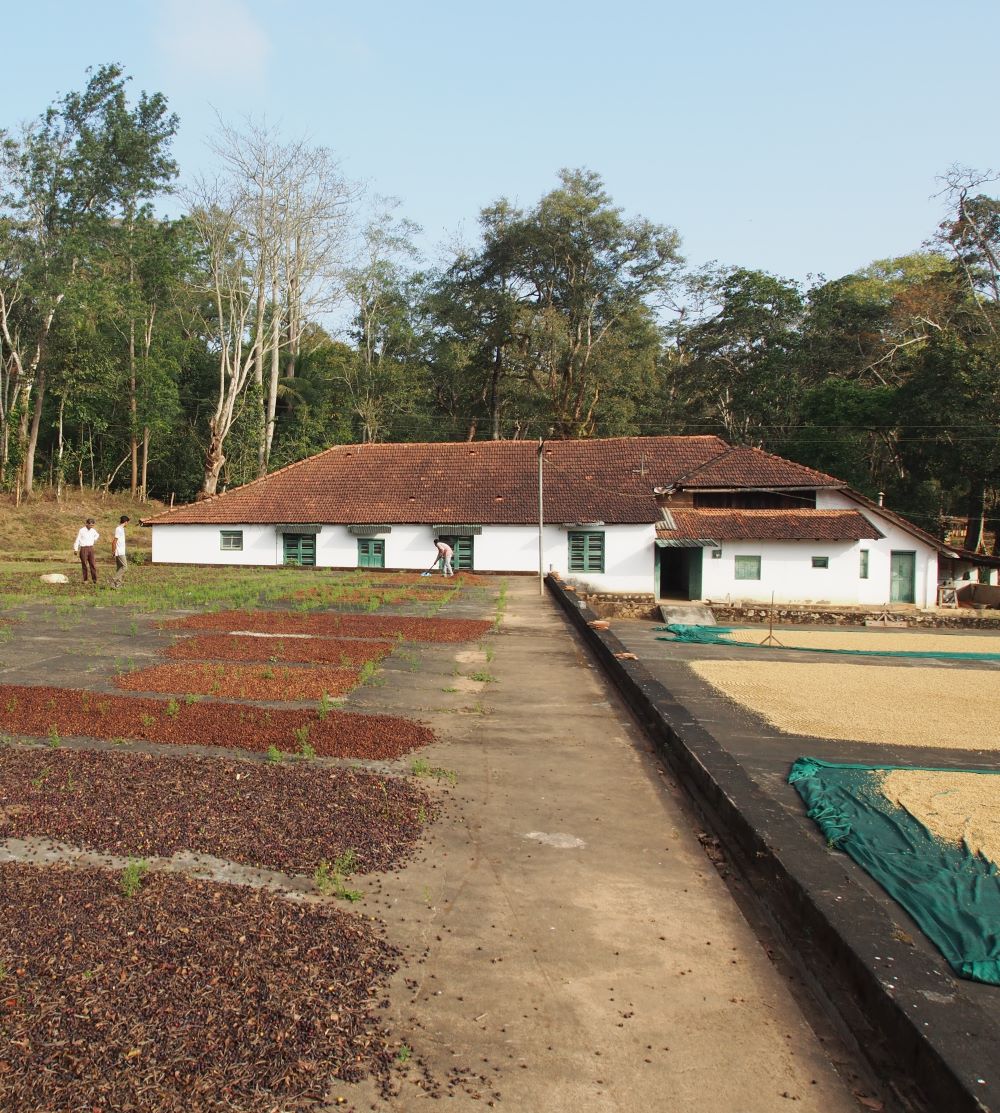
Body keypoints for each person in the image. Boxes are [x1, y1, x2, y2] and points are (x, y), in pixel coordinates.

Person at [73, 518, 100, 584]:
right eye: (90, 525)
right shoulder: (82, 530)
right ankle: (85, 580)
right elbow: (78, 540)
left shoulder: (93, 530)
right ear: (87, 524)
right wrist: (76, 549)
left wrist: (94, 539)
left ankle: (95, 580)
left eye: (93, 525)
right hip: (83, 548)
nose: (91, 526)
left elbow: (97, 535)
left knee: (93, 564)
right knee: (84, 564)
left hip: (91, 548)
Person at [111, 514, 130, 589]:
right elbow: (114, 541)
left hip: (121, 551)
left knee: (119, 568)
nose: (127, 524)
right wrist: (113, 551)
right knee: (125, 567)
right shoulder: (118, 529)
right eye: (127, 522)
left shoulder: (122, 529)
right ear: (125, 522)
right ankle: (113, 580)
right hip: (119, 552)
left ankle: (117, 585)